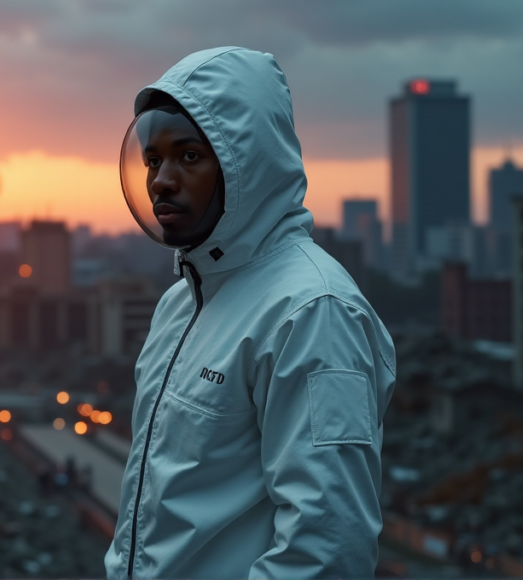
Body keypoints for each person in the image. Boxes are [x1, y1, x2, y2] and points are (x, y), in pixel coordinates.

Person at [104, 47, 396, 579]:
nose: (161, 180)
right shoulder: (181, 303)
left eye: (189, 156)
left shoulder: (311, 312)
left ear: (248, 164)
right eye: (153, 159)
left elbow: (329, 551)